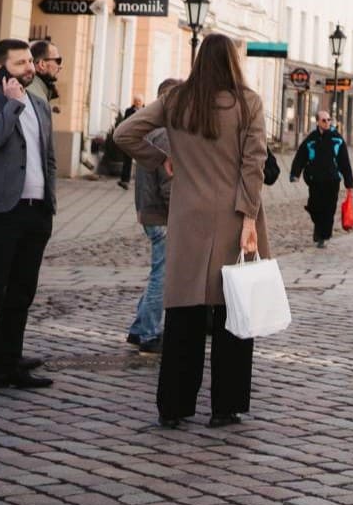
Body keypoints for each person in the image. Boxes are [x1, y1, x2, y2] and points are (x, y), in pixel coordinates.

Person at [112, 35, 269, 429]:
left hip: (188, 216)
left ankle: (173, 405)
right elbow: (254, 163)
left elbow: (124, 134)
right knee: (233, 313)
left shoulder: (177, 100)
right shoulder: (247, 103)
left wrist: (162, 159)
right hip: (234, 214)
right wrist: (249, 216)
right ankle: (225, 407)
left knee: (184, 313)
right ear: (233, 62)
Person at [0, 39, 60, 399]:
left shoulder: (39, 103)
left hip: (35, 212)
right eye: (20, 62)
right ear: (0, 69)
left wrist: (49, 201)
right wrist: (11, 106)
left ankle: (7, 367)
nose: (28, 67)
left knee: (22, 292)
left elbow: (48, 157)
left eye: (29, 61)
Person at [124, 78, 179, 354]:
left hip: (149, 211)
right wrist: (180, 215)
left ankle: (138, 328)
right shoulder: (167, 135)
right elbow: (169, 184)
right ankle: (149, 333)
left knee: (159, 272)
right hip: (162, 215)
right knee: (163, 275)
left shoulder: (150, 131)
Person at [290, 109, 353, 248]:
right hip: (315, 180)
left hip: (332, 180)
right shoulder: (311, 139)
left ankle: (323, 235)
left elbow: (344, 161)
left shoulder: (337, 139)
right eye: (324, 120)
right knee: (314, 206)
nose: (327, 123)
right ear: (318, 122)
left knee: (329, 209)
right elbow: (301, 156)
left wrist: (349, 182)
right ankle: (318, 227)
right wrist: (295, 173)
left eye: (329, 120)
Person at [112, 96, 143, 189]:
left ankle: (141, 181)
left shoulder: (145, 110)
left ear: (142, 102)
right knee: (127, 159)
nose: (137, 103)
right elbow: (126, 122)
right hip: (130, 137)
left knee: (142, 160)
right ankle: (125, 180)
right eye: (136, 101)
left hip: (141, 137)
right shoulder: (129, 111)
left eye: (139, 101)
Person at [23, 40, 60, 115]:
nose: (60, 67)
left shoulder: (34, 90)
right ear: (42, 64)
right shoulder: (36, 96)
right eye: (58, 61)